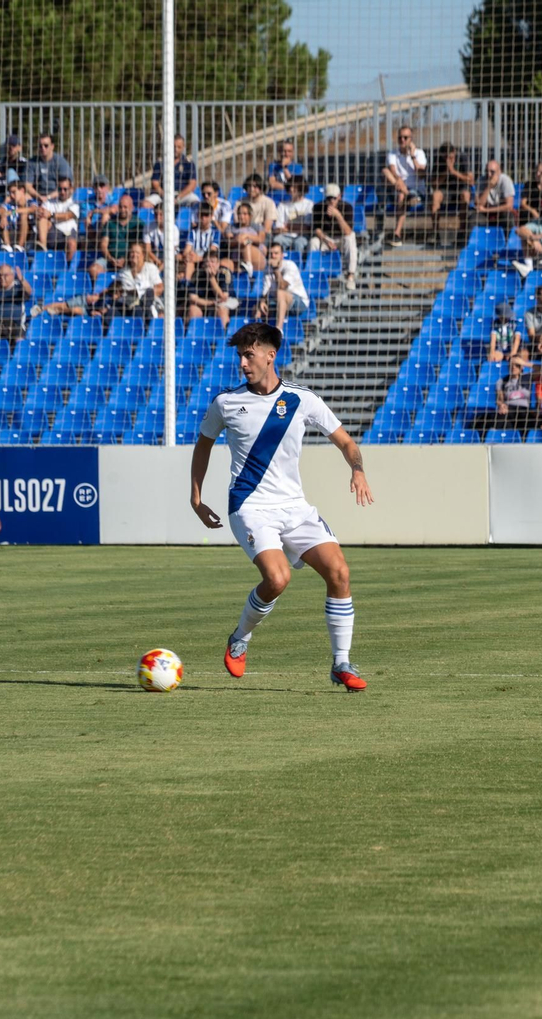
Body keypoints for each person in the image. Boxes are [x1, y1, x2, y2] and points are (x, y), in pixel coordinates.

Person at [189, 321, 374, 691]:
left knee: (339, 572)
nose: (242, 363)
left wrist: (358, 470)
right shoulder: (226, 403)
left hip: (295, 507)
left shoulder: (301, 399)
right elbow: (203, 445)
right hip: (250, 506)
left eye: (249, 355)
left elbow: (346, 442)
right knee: (277, 578)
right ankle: (240, 638)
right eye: (240, 356)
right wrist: (196, 497)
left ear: (270, 355)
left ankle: (341, 663)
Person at [469, 350, 536, 437]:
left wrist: (525, 363)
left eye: (517, 365)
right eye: (511, 365)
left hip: (523, 410)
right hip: (509, 409)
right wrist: (501, 405)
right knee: (500, 415)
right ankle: (494, 437)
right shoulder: (502, 381)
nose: (514, 367)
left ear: (521, 367)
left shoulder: (528, 378)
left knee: (528, 418)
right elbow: (499, 400)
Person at [382, 126, 428, 247]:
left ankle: (397, 234)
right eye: (400, 137)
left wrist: (412, 156)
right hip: (399, 187)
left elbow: (422, 175)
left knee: (401, 196)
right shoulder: (393, 153)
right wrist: (400, 182)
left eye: (405, 137)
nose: (402, 140)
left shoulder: (419, 153)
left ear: (411, 139)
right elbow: (392, 170)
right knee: (385, 171)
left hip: (417, 191)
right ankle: (408, 194)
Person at [309, 183, 358, 288]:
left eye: (334, 198)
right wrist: (326, 240)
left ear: (339, 197)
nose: (331, 201)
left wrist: (338, 215)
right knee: (314, 242)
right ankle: (314, 273)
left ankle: (351, 275)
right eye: (329, 198)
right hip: (326, 238)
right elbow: (316, 229)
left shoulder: (347, 207)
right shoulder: (318, 207)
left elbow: (348, 231)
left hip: (342, 238)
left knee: (351, 238)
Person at [90, 193, 143, 282]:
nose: (122, 210)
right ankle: (105, 288)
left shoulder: (138, 224)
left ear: (132, 208)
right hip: (109, 260)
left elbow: (141, 247)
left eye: (125, 207)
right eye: (120, 207)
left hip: (130, 261)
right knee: (94, 269)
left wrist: (126, 260)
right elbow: (103, 245)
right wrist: (110, 259)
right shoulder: (110, 223)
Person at [258, 241, 307, 330]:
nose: (273, 256)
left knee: (280, 293)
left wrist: (276, 269)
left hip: (298, 302)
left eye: (276, 253)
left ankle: (279, 329)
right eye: (271, 254)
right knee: (257, 308)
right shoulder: (267, 269)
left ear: (282, 255)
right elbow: (265, 291)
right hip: (277, 302)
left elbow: (283, 286)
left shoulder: (290, 265)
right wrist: (262, 302)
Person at [182, 248, 236, 326]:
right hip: (205, 303)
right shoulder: (197, 275)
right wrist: (211, 303)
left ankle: (223, 332)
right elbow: (193, 298)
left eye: (212, 262)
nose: (209, 264)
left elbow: (223, 297)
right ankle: (193, 332)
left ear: (218, 264)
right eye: (207, 262)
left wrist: (211, 278)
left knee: (221, 310)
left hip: (226, 302)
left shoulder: (225, 273)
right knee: (193, 309)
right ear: (203, 264)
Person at [115, 241, 164, 319]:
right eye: (132, 252)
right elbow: (116, 289)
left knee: (137, 309)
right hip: (125, 304)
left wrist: (143, 295)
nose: (134, 255)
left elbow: (160, 287)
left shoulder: (151, 268)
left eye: (137, 253)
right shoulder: (123, 272)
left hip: (145, 306)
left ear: (143, 255)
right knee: (112, 312)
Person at [35, 177, 81, 257]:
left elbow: (68, 215)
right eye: (60, 189)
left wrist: (51, 215)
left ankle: (68, 264)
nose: (62, 192)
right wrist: (39, 213)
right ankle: (43, 250)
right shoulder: (49, 203)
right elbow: (40, 212)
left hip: (69, 233)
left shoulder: (74, 203)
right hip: (52, 234)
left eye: (65, 189)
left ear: (71, 189)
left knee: (72, 243)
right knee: (42, 219)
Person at [150, 135, 199, 207]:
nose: (176, 149)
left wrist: (179, 197)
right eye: (173, 147)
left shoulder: (189, 163)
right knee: (145, 204)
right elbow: (155, 182)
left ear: (183, 147)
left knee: (196, 203)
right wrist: (165, 195)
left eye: (179, 147)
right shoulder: (160, 163)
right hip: (163, 195)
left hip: (182, 195)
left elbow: (192, 184)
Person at [272, 176, 315, 255]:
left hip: (302, 236)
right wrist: (296, 227)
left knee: (299, 243)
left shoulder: (309, 205)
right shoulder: (282, 205)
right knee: (277, 240)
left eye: (295, 187)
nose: (291, 189)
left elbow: (306, 228)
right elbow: (278, 228)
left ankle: (300, 262)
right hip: (285, 236)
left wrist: (288, 226)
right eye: (290, 187)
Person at [474, 160, 517, 227]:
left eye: (492, 172)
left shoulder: (505, 180)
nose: (489, 174)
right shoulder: (481, 180)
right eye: (486, 171)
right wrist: (488, 187)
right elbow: (478, 205)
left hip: (501, 213)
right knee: (473, 218)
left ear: (499, 172)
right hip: (485, 214)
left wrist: (486, 210)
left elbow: (509, 206)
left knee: (508, 218)